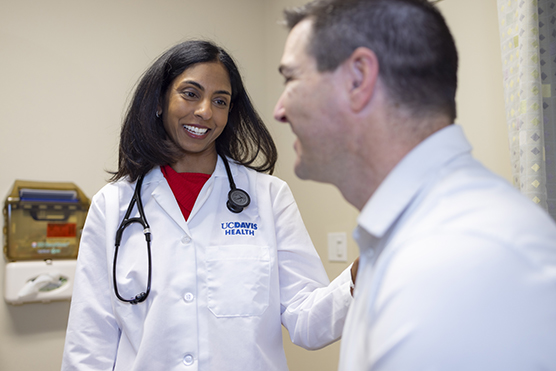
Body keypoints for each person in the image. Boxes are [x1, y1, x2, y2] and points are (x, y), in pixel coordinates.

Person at [274, 0, 556, 370]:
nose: (279, 110)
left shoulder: (460, 259)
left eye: (291, 79)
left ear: (358, 79)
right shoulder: (407, 238)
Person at [61, 39, 356, 371]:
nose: (205, 111)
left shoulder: (269, 197)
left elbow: (308, 322)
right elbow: (89, 345)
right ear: (159, 101)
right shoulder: (113, 205)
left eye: (220, 100)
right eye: (190, 93)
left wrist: (363, 272)